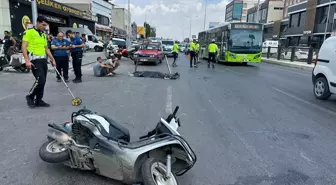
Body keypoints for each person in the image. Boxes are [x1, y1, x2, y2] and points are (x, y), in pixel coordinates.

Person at [22, 16, 56, 108]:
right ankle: (30, 96)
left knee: (43, 82)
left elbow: (46, 49)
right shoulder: (29, 32)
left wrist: (52, 59)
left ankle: (39, 100)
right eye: (43, 25)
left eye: (46, 25)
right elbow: (24, 46)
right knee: (40, 80)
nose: (45, 27)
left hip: (43, 60)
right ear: (38, 22)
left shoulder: (44, 35)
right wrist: (26, 60)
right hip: (34, 60)